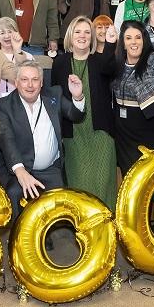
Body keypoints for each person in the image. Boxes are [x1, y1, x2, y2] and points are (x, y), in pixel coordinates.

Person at [0, 62, 86, 216]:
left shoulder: (54, 95)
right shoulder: (4, 105)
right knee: (20, 218)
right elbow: (7, 140)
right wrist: (20, 171)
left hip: (51, 171)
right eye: (24, 80)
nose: (30, 85)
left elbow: (75, 116)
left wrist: (77, 96)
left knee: (59, 219)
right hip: (19, 173)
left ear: (42, 82)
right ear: (16, 82)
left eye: (35, 79)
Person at [51, 18, 119, 210]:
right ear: (70, 36)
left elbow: (111, 67)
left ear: (93, 37)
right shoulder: (60, 63)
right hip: (73, 135)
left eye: (87, 32)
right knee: (79, 189)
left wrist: (111, 43)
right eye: (78, 31)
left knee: (104, 187)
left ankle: (106, 232)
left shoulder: (100, 61)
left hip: (101, 134)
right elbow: (56, 98)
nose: (82, 36)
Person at [111, 17, 154, 173]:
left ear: (143, 40)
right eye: (128, 38)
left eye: (138, 37)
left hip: (147, 131)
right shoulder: (117, 63)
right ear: (123, 43)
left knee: (147, 178)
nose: (134, 42)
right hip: (122, 135)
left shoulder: (151, 59)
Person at [0, 16, 33, 98]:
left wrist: (17, 49)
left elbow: (28, 78)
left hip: (23, 100)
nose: (7, 36)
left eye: (9, 32)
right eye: (2, 33)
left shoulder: (28, 56)